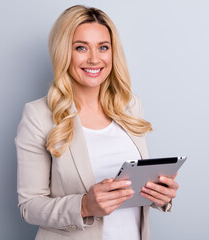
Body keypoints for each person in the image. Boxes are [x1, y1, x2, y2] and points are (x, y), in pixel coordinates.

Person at [15, 5, 179, 240]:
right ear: (64, 52)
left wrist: (160, 195)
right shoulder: (38, 115)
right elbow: (29, 206)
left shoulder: (130, 106)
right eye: (81, 48)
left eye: (103, 47)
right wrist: (83, 206)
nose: (94, 59)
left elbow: (135, 188)